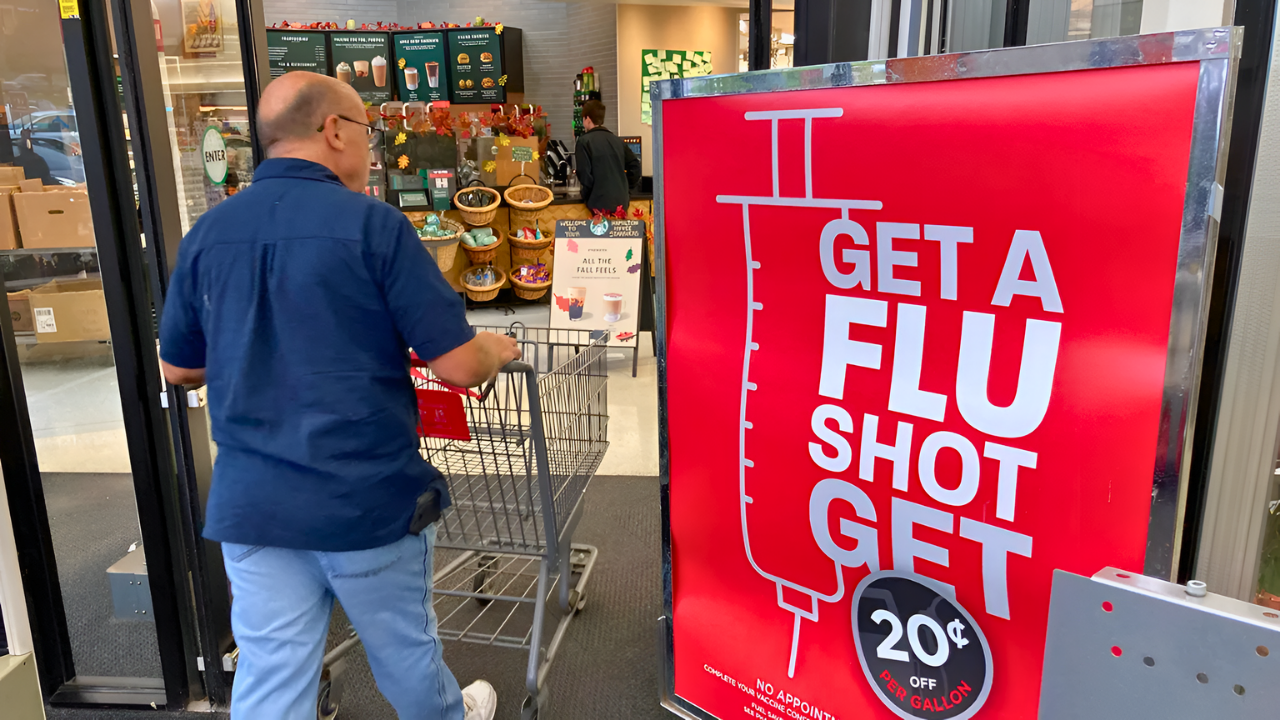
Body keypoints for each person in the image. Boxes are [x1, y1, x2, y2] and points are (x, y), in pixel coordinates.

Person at [158, 71, 520, 720]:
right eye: (366, 132)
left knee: (271, 676)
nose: (371, 149)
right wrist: (496, 347)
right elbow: (461, 366)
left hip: (255, 505)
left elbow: (178, 368)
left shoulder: (207, 235)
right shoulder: (374, 227)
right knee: (405, 656)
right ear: (332, 130)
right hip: (363, 500)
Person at [574, 100, 641, 214]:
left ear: (588, 119)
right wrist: (625, 188)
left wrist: (588, 195)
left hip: (598, 205)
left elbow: (584, 174)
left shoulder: (584, 142)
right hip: (621, 203)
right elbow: (635, 167)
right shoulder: (617, 141)